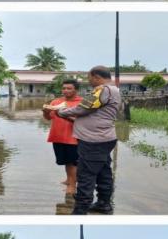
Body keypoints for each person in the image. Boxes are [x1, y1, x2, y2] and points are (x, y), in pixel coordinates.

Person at [50, 66, 122, 214]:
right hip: (103, 138)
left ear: (96, 76)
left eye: (89, 78)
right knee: (103, 172)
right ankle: (103, 203)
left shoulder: (103, 90)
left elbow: (83, 108)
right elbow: (91, 113)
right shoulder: (113, 90)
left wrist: (61, 111)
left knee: (85, 175)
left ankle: (80, 211)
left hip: (93, 140)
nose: (89, 81)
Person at [41, 79, 82, 196]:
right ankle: (69, 179)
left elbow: (83, 121)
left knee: (73, 162)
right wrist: (45, 112)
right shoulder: (56, 102)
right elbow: (48, 118)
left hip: (74, 137)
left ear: (76, 90)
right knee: (65, 161)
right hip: (58, 136)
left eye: (69, 88)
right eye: (64, 88)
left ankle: (73, 186)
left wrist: (64, 115)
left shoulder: (81, 103)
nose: (65, 91)